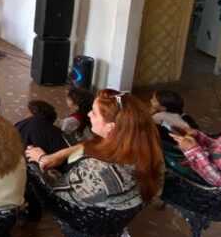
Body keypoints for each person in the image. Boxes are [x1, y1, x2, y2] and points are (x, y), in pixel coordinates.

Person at [25, 90, 163, 210]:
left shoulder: (98, 172)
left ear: (111, 126)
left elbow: (55, 188)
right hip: (96, 190)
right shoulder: (144, 147)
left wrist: (41, 159)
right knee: (35, 125)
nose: (89, 114)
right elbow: (96, 143)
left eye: (95, 113)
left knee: (31, 132)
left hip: (74, 205)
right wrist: (61, 154)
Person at [170, 85, 221, 186]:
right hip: (197, 160)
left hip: (201, 181)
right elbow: (220, 149)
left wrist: (193, 151)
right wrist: (199, 136)